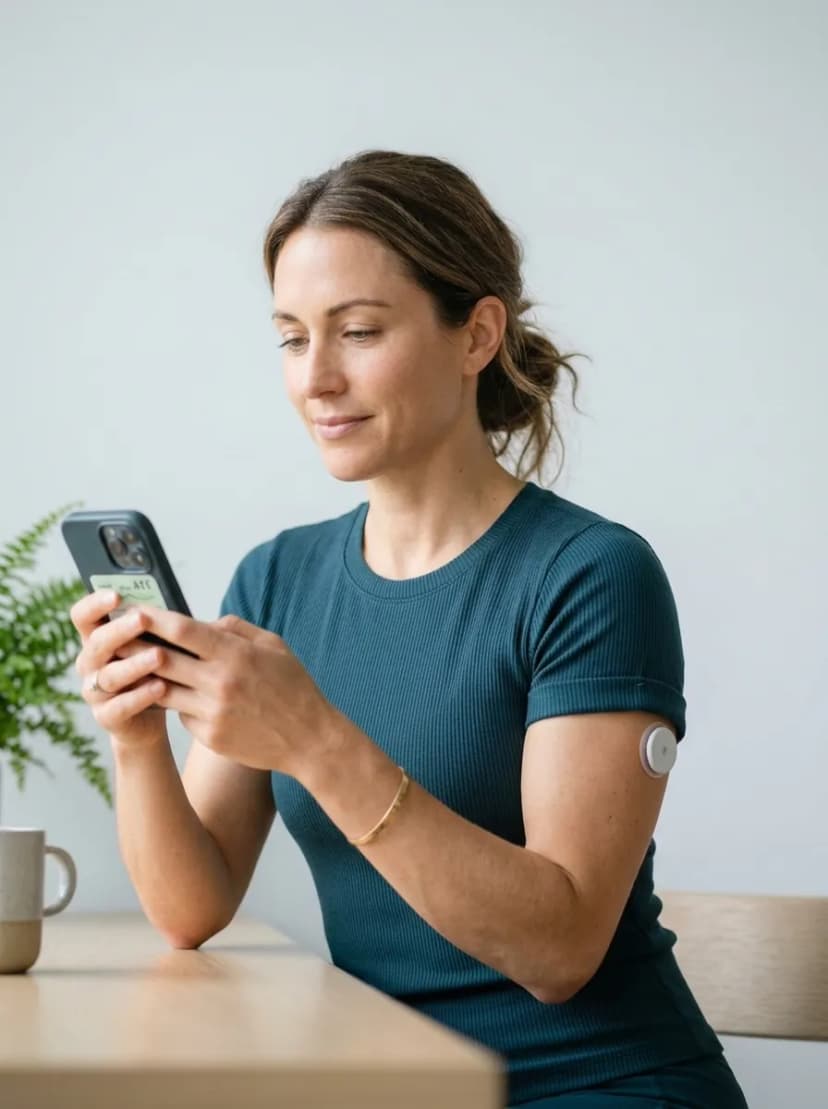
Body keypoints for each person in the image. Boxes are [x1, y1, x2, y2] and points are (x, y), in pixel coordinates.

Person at [71, 150, 748, 1108]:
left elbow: (558, 949)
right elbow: (193, 906)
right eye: (291, 338)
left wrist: (313, 736)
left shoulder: (591, 576)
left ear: (477, 335)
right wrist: (137, 738)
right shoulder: (277, 579)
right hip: (396, 1086)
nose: (317, 378)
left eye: (358, 331)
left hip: (599, 1083)